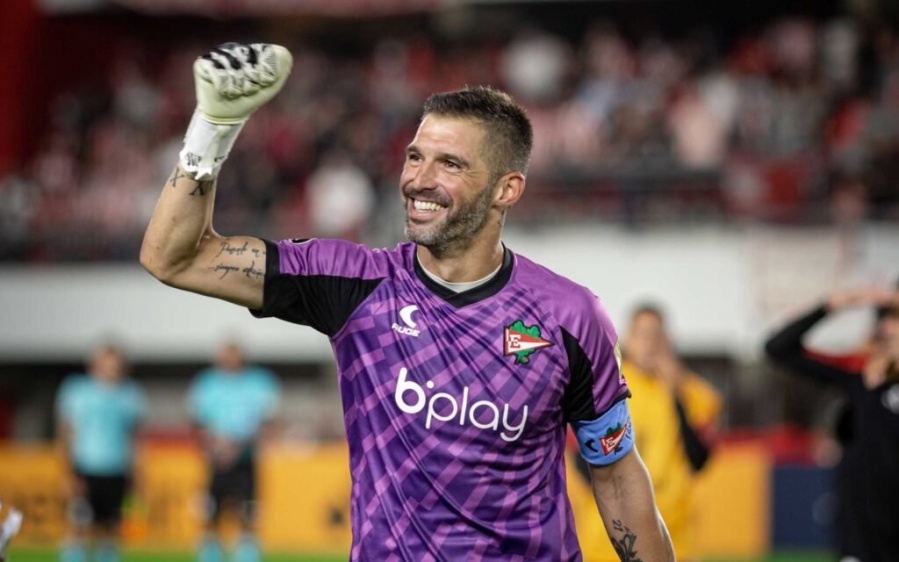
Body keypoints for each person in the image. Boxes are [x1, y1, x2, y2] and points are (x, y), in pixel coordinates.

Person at [140, 42, 674, 560]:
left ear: (507, 189)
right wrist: (212, 129)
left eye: (450, 164)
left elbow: (616, 473)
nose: (419, 179)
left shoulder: (569, 318)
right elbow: (173, 258)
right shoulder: (352, 283)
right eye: (415, 156)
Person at [764, 287, 899, 562]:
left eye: (895, 319)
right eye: (886, 318)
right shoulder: (856, 376)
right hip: (860, 536)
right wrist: (840, 302)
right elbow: (778, 348)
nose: (887, 328)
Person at [580, 304, 721, 562]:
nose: (649, 343)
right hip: (612, 537)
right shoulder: (606, 387)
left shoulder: (691, 391)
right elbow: (580, 457)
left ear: (667, 341)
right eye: (642, 334)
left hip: (674, 532)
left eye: (656, 335)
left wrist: (676, 394)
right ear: (628, 339)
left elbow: (700, 459)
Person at [188, 341, 280, 562]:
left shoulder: (259, 382)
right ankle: (211, 553)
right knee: (211, 511)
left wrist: (238, 446)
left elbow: (267, 422)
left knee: (248, 511)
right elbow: (197, 422)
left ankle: (246, 553)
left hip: (246, 458)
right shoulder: (207, 383)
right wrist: (215, 446)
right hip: (216, 459)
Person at [55, 343, 145, 562]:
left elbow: (134, 438)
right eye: (108, 365)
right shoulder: (76, 391)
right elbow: (65, 434)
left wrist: (137, 473)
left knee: (110, 530)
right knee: (77, 527)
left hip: (116, 469)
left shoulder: (130, 394)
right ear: (95, 365)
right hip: (85, 467)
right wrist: (67, 473)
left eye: (116, 366)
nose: (113, 370)